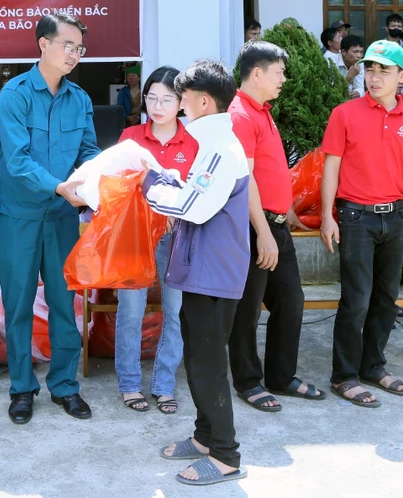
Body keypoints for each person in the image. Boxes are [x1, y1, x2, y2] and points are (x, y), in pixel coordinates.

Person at [145, 59, 250, 486]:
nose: (179, 106)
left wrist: (149, 185)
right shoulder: (213, 145)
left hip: (214, 272)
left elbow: (195, 206)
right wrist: (169, 179)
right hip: (201, 269)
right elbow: (195, 191)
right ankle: (205, 436)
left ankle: (225, 454)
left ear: (204, 101)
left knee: (207, 364)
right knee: (197, 357)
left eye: (183, 98)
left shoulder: (222, 148)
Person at [0, 12, 100, 425]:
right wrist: (60, 186)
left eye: (79, 48)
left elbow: (88, 151)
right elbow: (17, 161)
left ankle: (65, 386)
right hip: (19, 216)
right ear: (43, 44)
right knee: (17, 304)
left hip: (61, 218)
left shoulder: (81, 98)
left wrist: (94, 180)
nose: (74, 55)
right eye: (68, 46)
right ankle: (22, 389)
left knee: (64, 302)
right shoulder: (14, 95)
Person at [320, 41, 403, 407]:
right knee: (356, 299)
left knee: (386, 299)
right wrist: (327, 216)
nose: (374, 77)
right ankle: (344, 375)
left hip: (396, 218)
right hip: (355, 217)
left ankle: (373, 366)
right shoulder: (345, 114)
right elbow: (331, 168)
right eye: (370, 69)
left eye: (384, 70)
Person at [227, 42, 321, 414]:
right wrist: (264, 231)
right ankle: (248, 381)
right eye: (279, 72)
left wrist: (287, 211)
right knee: (247, 310)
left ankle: (282, 376)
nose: (284, 78)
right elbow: (245, 178)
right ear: (257, 73)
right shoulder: (240, 115)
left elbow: (269, 173)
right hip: (255, 227)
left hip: (276, 223)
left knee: (291, 301)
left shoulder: (262, 112)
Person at [114, 66, 196, 416]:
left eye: (167, 99)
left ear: (180, 103)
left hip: (176, 237)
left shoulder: (193, 143)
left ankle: (164, 385)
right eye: (152, 98)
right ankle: (130, 384)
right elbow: (116, 183)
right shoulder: (130, 136)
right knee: (130, 311)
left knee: (175, 312)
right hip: (135, 235)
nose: (158, 105)